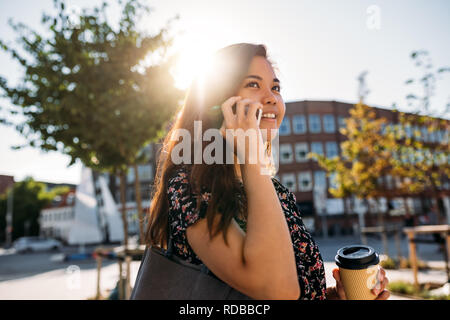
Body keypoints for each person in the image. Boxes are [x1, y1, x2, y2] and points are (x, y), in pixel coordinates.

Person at [145, 43, 389, 300]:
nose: (272, 97)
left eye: (275, 87)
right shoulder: (189, 186)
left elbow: (298, 291)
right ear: (217, 103)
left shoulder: (276, 191)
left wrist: (336, 297)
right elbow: (279, 291)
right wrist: (253, 157)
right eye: (253, 84)